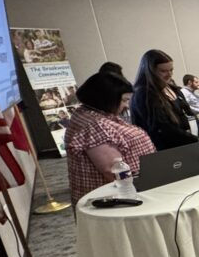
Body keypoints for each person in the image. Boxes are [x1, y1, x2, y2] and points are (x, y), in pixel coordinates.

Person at [64, 72, 156, 204]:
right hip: (120, 196)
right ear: (106, 99)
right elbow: (112, 171)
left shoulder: (89, 113)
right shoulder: (95, 125)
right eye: (124, 100)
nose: (127, 105)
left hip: (124, 191)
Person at [130, 49, 199, 150]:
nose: (169, 74)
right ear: (150, 71)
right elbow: (163, 129)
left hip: (186, 146)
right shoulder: (144, 94)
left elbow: (190, 115)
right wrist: (195, 140)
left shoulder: (174, 89)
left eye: (171, 70)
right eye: (163, 71)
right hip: (165, 151)